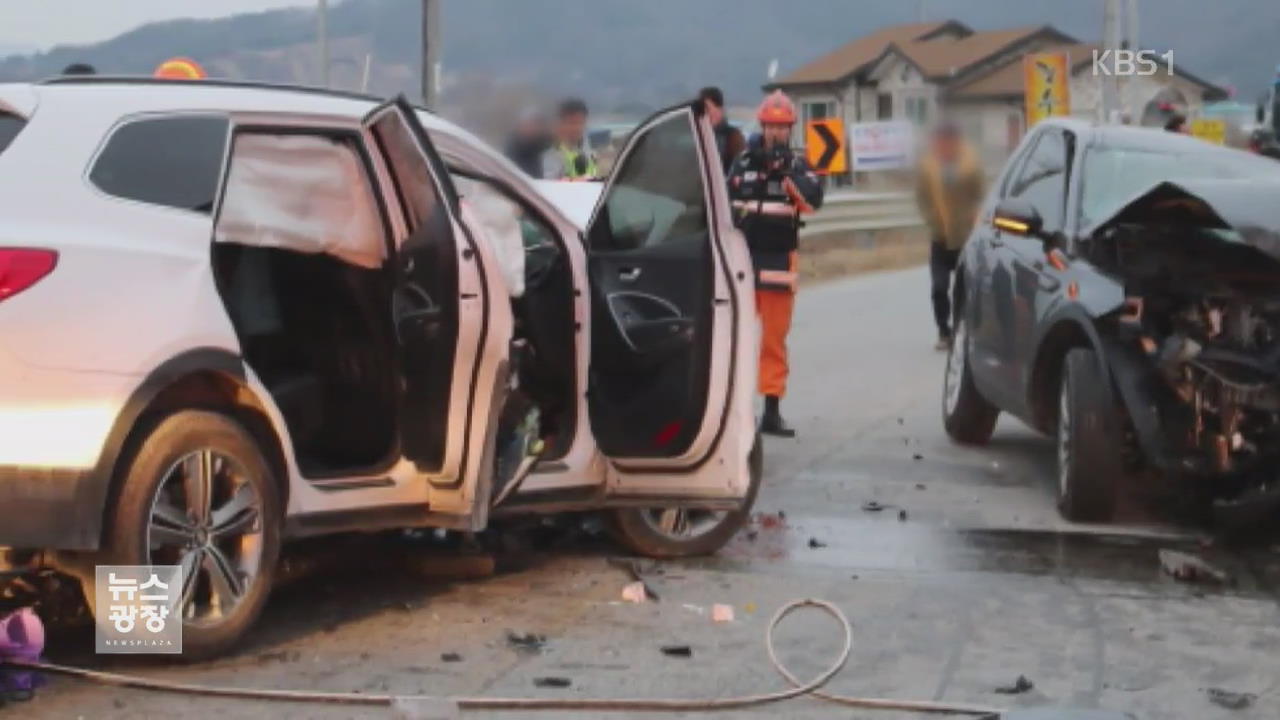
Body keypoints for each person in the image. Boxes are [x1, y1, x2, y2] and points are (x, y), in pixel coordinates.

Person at [727, 90, 823, 437]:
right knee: (736, 338)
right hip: (742, 264)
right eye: (770, 126)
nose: (775, 133)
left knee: (773, 341)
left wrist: (786, 175)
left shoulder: (800, 167)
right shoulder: (742, 163)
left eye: (782, 128)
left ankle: (771, 410)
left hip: (780, 261)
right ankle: (736, 411)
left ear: (791, 130)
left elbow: (813, 202)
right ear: (762, 126)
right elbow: (725, 205)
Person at [916, 121, 984, 350]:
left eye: (948, 141)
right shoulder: (928, 168)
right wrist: (932, 221)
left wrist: (975, 220)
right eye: (940, 142)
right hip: (940, 238)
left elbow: (979, 195)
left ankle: (962, 329)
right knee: (938, 287)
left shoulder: (969, 166)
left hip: (965, 238)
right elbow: (922, 199)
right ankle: (943, 331)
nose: (944, 146)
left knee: (964, 289)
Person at [543, 97, 599, 181]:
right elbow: (549, 183)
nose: (577, 128)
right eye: (572, 123)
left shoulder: (587, 146)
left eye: (581, 122)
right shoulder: (551, 153)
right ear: (560, 123)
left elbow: (593, 173)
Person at [699, 86, 745, 174]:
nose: (705, 114)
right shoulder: (698, 136)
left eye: (708, 109)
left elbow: (740, 167)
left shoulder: (734, 136)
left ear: (720, 109)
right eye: (702, 110)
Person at [504, 107, 551, 179]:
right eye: (528, 125)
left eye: (535, 125)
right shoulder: (512, 151)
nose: (531, 129)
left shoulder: (548, 149)